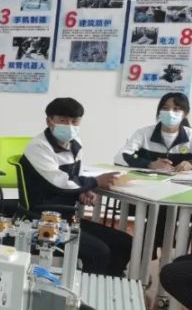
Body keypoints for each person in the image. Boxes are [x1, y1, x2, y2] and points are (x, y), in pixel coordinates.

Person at [20, 98, 132, 277]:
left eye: (74, 121)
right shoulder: (38, 147)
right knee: (98, 252)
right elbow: (60, 182)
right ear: (49, 120)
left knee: (124, 242)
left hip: (67, 216)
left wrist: (83, 191)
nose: (69, 126)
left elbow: (74, 178)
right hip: (43, 218)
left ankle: (110, 284)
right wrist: (95, 182)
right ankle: (88, 290)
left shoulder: (75, 144)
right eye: (63, 120)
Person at [117, 92, 192, 171]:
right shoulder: (143, 133)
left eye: (176, 109)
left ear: (185, 114)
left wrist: (190, 163)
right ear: (159, 112)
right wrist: (149, 164)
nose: (170, 113)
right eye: (165, 108)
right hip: (147, 178)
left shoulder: (190, 135)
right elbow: (119, 157)